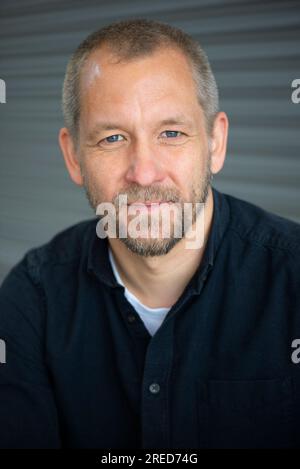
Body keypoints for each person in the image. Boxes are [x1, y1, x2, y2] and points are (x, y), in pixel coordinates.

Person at [0, 18, 299, 449]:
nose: (144, 172)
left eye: (171, 133)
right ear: (73, 156)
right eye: (113, 137)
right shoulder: (34, 299)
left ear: (215, 143)